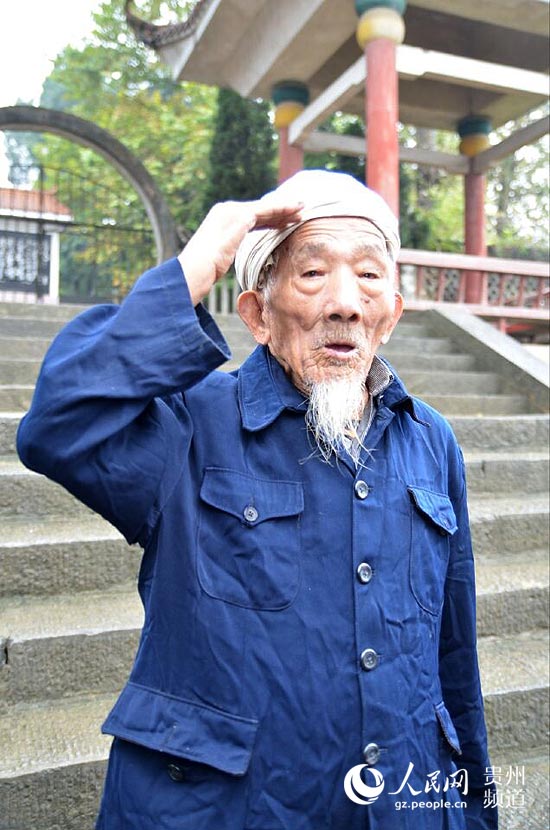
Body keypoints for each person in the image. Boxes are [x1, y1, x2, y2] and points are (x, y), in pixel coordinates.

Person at [17, 170, 496, 829]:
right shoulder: (190, 421)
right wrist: (192, 268)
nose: (345, 303)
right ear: (257, 315)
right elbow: (57, 426)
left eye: (368, 275)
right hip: (223, 807)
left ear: (390, 314)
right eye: (312, 274)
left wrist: (475, 811)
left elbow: (454, 658)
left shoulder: (431, 441)